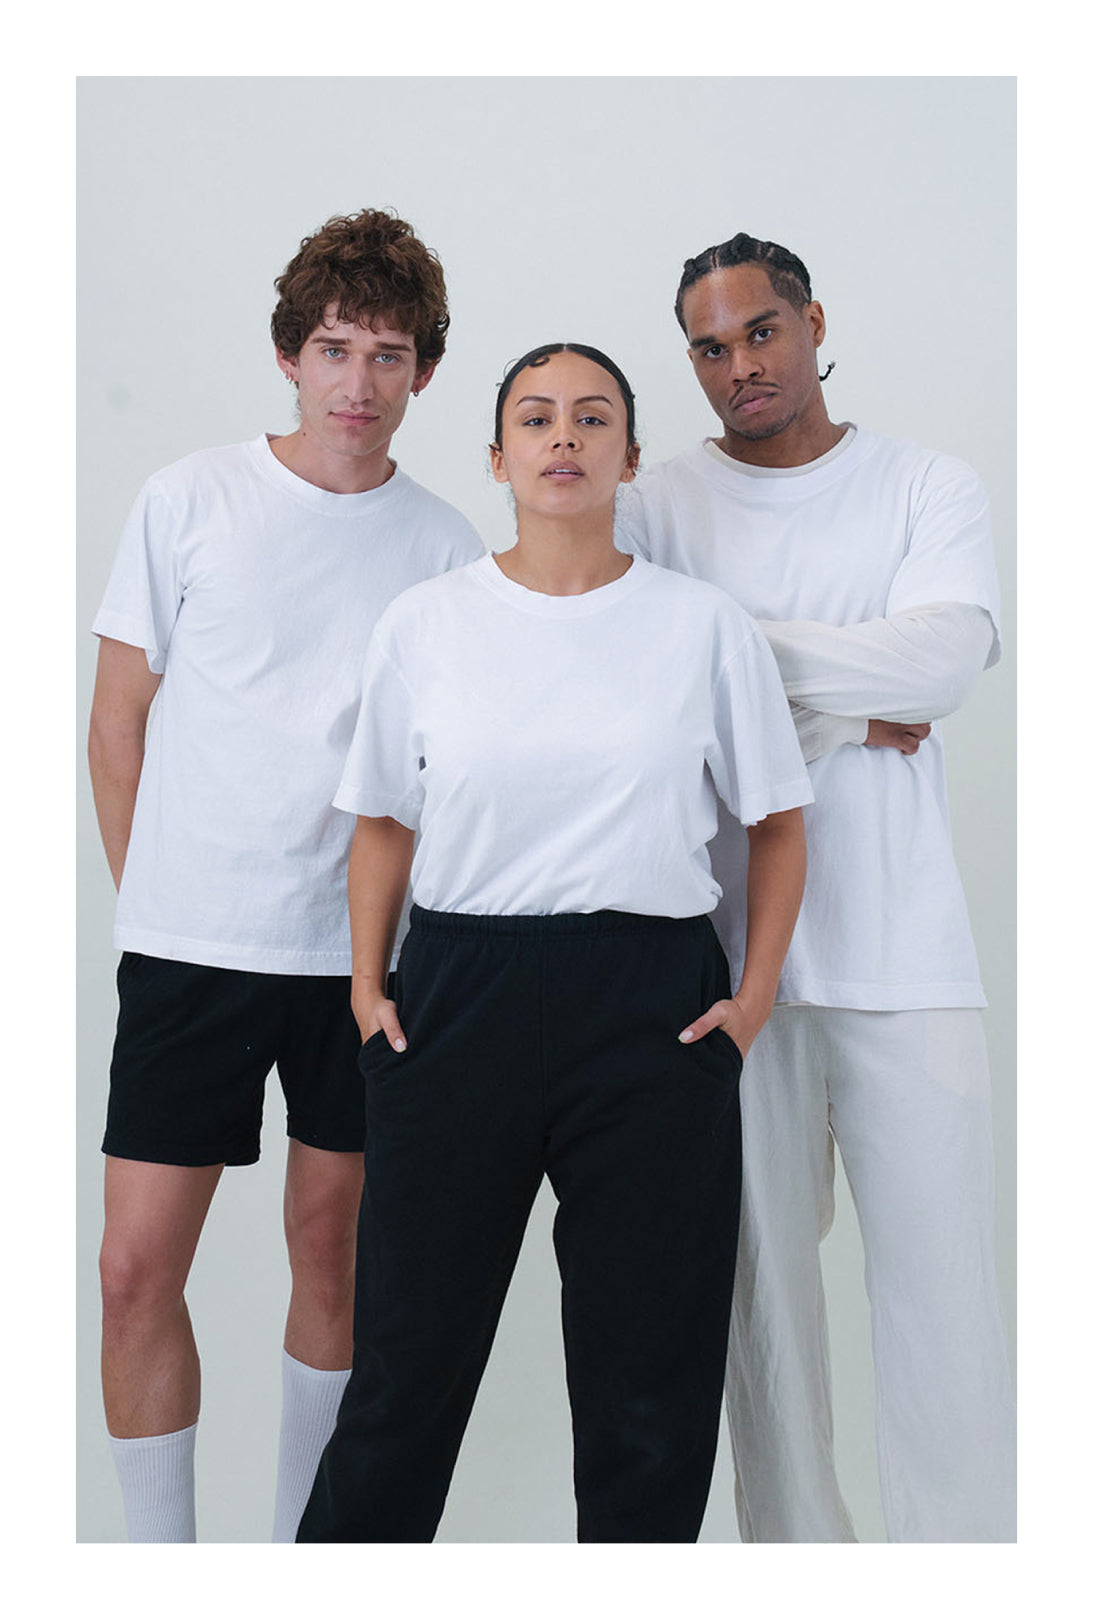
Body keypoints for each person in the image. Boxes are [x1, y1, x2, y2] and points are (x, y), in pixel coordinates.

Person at [295, 342, 812, 1542]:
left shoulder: (701, 627)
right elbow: (381, 821)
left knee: (648, 1391)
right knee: (403, 1379)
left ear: (632, 455)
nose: (564, 438)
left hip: (653, 1012)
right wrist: (368, 988)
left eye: (592, 418)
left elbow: (778, 826)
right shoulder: (427, 624)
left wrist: (754, 997)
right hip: (455, 1000)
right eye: (536, 419)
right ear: (497, 458)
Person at [613, 231, 1017, 1543]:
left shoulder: (924, 486)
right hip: (735, 969)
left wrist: (740, 667)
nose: (740, 366)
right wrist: (858, 704)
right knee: (765, 1330)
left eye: (760, 333)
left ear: (811, 319)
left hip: (908, 962)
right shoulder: (657, 504)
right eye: (710, 348)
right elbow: (636, 695)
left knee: (946, 1314)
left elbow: (947, 659)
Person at [87, 208, 482, 1543]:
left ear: (423, 371)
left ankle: (306, 1565)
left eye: (388, 355)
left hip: (362, 964)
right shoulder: (188, 499)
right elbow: (114, 725)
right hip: (191, 948)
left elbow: (449, 771)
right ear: (288, 356)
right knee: (134, 1269)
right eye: (334, 349)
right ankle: (158, 1569)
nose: (359, 384)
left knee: (332, 1252)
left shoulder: (445, 551)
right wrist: (159, 900)